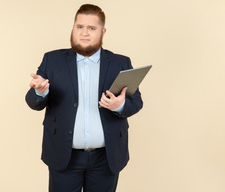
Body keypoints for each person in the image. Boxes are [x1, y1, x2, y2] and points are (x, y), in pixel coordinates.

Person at [25, 4, 143, 192]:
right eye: (79, 27)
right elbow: (33, 102)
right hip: (63, 156)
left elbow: (136, 102)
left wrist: (119, 105)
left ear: (103, 32)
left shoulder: (120, 63)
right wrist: (40, 91)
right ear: (73, 28)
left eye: (91, 28)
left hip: (106, 158)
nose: (84, 33)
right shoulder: (52, 60)